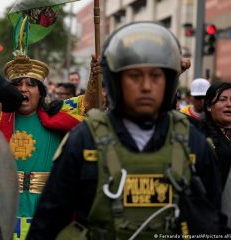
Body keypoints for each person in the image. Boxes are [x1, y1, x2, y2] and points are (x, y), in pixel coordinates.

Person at [27, 22, 221, 239]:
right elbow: (48, 221)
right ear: (115, 81)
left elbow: (213, 219)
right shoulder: (84, 140)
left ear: (168, 82)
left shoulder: (192, 143)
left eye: (156, 76)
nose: (146, 86)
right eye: (135, 76)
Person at [0, 52, 100, 240]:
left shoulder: (59, 113)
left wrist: (95, 77)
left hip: (47, 208)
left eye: (31, 84)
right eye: (18, 84)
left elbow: (90, 106)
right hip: (5, 208)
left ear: (40, 91)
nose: (24, 89)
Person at [198, 82, 231, 230]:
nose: (229, 104)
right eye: (222, 99)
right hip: (212, 217)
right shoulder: (198, 134)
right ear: (209, 106)